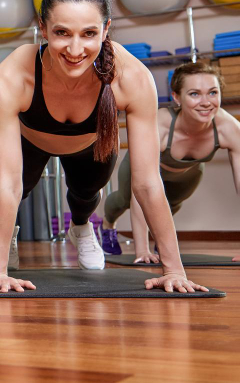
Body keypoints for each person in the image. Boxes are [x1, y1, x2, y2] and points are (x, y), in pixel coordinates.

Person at [0, 0, 207, 294]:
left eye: (88, 33)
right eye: (62, 33)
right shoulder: (11, 76)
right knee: (17, 192)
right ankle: (8, 238)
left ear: (106, 29)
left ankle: (82, 228)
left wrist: (174, 271)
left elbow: (146, 182)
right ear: (43, 30)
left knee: (85, 197)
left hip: (92, 144)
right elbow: (8, 183)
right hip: (30, 141)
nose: (75, 49)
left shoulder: (132, 78)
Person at [102, 61, 240, 261]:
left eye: (213, 92)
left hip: (188, 173)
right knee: (123, 200)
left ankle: (161, 238)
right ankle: (107, 226)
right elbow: (141, 191)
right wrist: (142, 251)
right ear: (176, 97)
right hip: (143, 168)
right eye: (194, 94)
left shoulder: (229, 128)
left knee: (171, 203)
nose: (206, 102)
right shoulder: (160, 125)